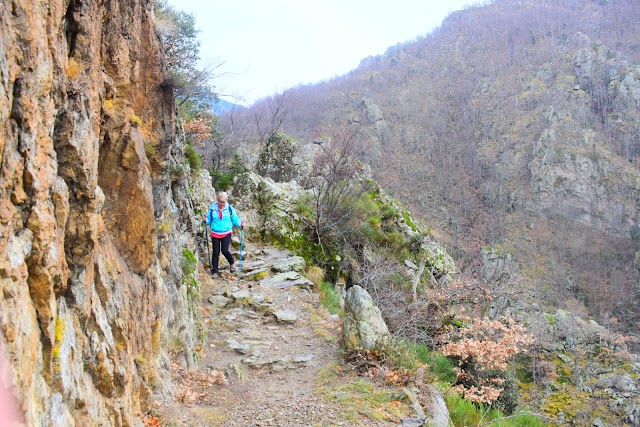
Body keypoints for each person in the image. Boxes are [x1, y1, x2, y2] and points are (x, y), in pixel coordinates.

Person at [204, 191, 245, 278]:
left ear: (226, 201)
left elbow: (235, 219)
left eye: (224, 202)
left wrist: (240, 224)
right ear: (217, 200)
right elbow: (209, 220)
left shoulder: (229, 208)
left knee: (224, 250)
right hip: (215, 233)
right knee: (215, 252)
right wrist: (205, 220)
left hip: (226, 232)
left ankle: (232, 263)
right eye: (220, 202)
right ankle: (214, 271)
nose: (222, 204)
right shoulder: (212, 208)